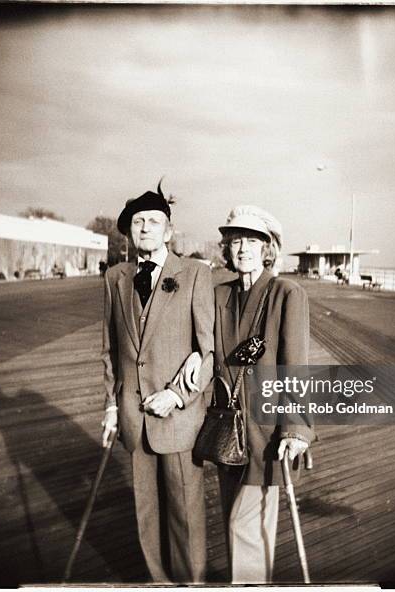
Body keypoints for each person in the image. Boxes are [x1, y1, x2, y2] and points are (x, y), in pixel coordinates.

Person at [100, 181, 214, 583]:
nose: (145, 228)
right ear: (129, 231)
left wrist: (178, 396)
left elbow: (209, 351)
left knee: (185, 514)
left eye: (154, 221)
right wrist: (112, 406)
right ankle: (159, 583)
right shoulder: (115, 278)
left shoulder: (197, 274)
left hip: (178, 420)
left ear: (169, 231)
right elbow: (111, 350)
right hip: (134, 417)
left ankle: (192, 584)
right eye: (138, 222)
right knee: (146, 514)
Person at [213, 205, 315, 584]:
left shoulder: (287, 292)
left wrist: (295, 429)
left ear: (267, 248)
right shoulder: (220, 294)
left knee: (247, 526)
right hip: (226, 430)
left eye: (251, 241)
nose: (241, 249)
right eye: (235, 241)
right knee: (235, 524)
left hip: (267, 433)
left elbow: (296, 366)